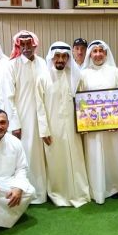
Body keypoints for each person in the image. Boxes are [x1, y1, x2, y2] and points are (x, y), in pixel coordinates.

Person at [2, 30, 50, 204]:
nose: (26, 47)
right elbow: (8, 97)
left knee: (44, 153)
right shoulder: (12, 66)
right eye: (22, 44)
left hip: (44, 116)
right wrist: (15, 123)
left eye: (29, 44)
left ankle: (45, 191)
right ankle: (30, 194)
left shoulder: (42, 63)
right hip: (24, 118)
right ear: (18, 46)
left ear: (34, 44)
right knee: (28, 153)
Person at [79, 40, 118, 203]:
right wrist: (83, 123)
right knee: (95, 155)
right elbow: (80, 101)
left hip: (113, 124)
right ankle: (98, 189)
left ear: (106, 54)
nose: (98, 54)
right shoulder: (83, 74)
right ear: (90, 54)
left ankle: (116, 186)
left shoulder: (115, 72)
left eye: (101, 51)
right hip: (92, 124)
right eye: (95, 51)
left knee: (114, 153)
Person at [43, 41, 91, 207]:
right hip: (52, 127)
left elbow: (83, 102)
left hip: (73, 126)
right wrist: (44, 130)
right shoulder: (43, 77)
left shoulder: (76, 76)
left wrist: (85, 123)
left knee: (76, 158)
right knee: (56, 160)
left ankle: (79, 192)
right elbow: (39, 106)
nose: (60, 60)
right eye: (57, 56)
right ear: (51, 57)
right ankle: (59, 194)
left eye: (64, 56)